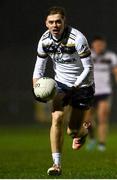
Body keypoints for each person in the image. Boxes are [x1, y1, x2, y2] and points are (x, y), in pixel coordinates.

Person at [33, 6, 94, 175]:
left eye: (58, 21)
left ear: (64, 22)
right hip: (60, 84)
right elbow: (39, 68)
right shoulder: (44, 40)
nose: (55, 25)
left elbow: (88, 68)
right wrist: (36, 88)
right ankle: (56, 165)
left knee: (72, 130)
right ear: (46, 23)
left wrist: (74, 88)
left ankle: (82, 131)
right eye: (51, 22)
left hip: (82, 86)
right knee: (57, 117)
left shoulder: (78, 38)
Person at [86, 35, 117, 151]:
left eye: (101, 44)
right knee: (87, 120)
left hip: (105, 91)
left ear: (104, 45)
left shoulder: (111, 56)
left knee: (102, 117)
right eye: (97, 44)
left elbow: (115, 72)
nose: (99, 47)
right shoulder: (87, 56)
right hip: (90, 92)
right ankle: (92, 138)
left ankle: (102, 144)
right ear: (92, 45)